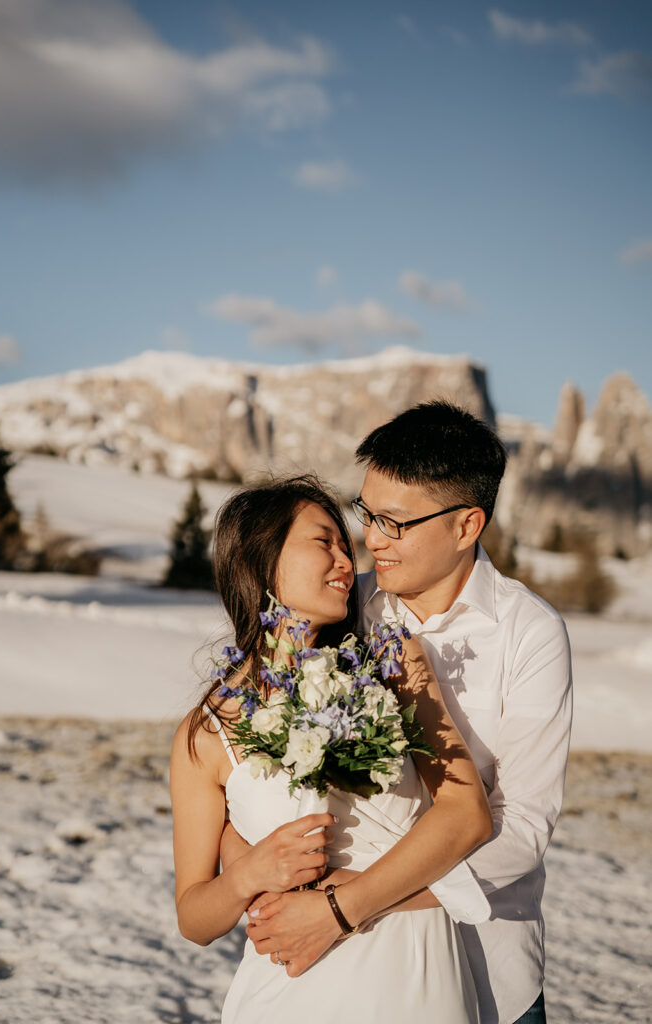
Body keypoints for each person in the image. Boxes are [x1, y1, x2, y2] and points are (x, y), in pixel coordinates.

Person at [244, 404, 572, 1024]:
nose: (371, 539)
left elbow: (522, 830)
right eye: (367, 514)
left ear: (466, 524)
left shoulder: (530, 632)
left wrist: (353, 906)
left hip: (488, 971)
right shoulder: (344, 604)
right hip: (346, 973)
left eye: (394, 522)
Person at [170, 474, 493, 1024]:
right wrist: (249, 875)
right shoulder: (205, 734)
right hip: (288, 993)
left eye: (346, 545)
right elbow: (194, 918)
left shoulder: (394, 667)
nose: (348, 560)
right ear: (261, 557)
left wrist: (346, 902)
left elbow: (468, 815)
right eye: (325, 542)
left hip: (414, 980)